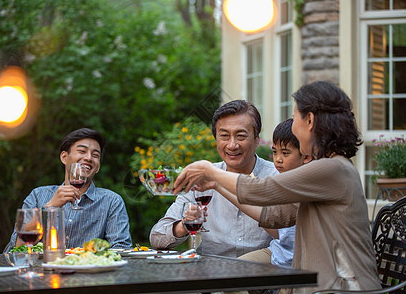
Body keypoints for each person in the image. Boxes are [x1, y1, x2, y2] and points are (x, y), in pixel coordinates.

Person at [174, 81, 381, 293]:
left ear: (309, 120)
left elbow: (263, 189)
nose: (292, 126)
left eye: (295, 116)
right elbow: (274, 216)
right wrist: (217, 184)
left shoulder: (332, 169)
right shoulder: (327, 170)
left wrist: (211, 172)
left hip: (342, 287)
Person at [150, 100, 278, 257]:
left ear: (257, 139)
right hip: (211, 273)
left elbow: (289, 235)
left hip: (265, 274)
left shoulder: (275, 177)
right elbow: (156, 238)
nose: (232, 145)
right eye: (224, 136)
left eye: (241, 136)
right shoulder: (201, 178)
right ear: (216, 138)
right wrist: (185, 225)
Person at [5, 128, 132, 251]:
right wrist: (50, 207)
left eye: (95, 155)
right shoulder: (38, 195)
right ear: (64, 157)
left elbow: (122, 249)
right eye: (82, 151)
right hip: (43, 270)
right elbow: (18, 247)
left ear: (98, 167)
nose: (88, 158)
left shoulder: (111, 201)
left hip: (90, 271)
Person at [236, 119, 311, 268]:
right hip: (278, 252)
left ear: (305, 155)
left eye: (285, 153)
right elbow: (279, 233)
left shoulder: (307, 184)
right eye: (275, 152)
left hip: (300, 261)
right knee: (233, 271)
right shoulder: (280, 180)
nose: (278, 159)